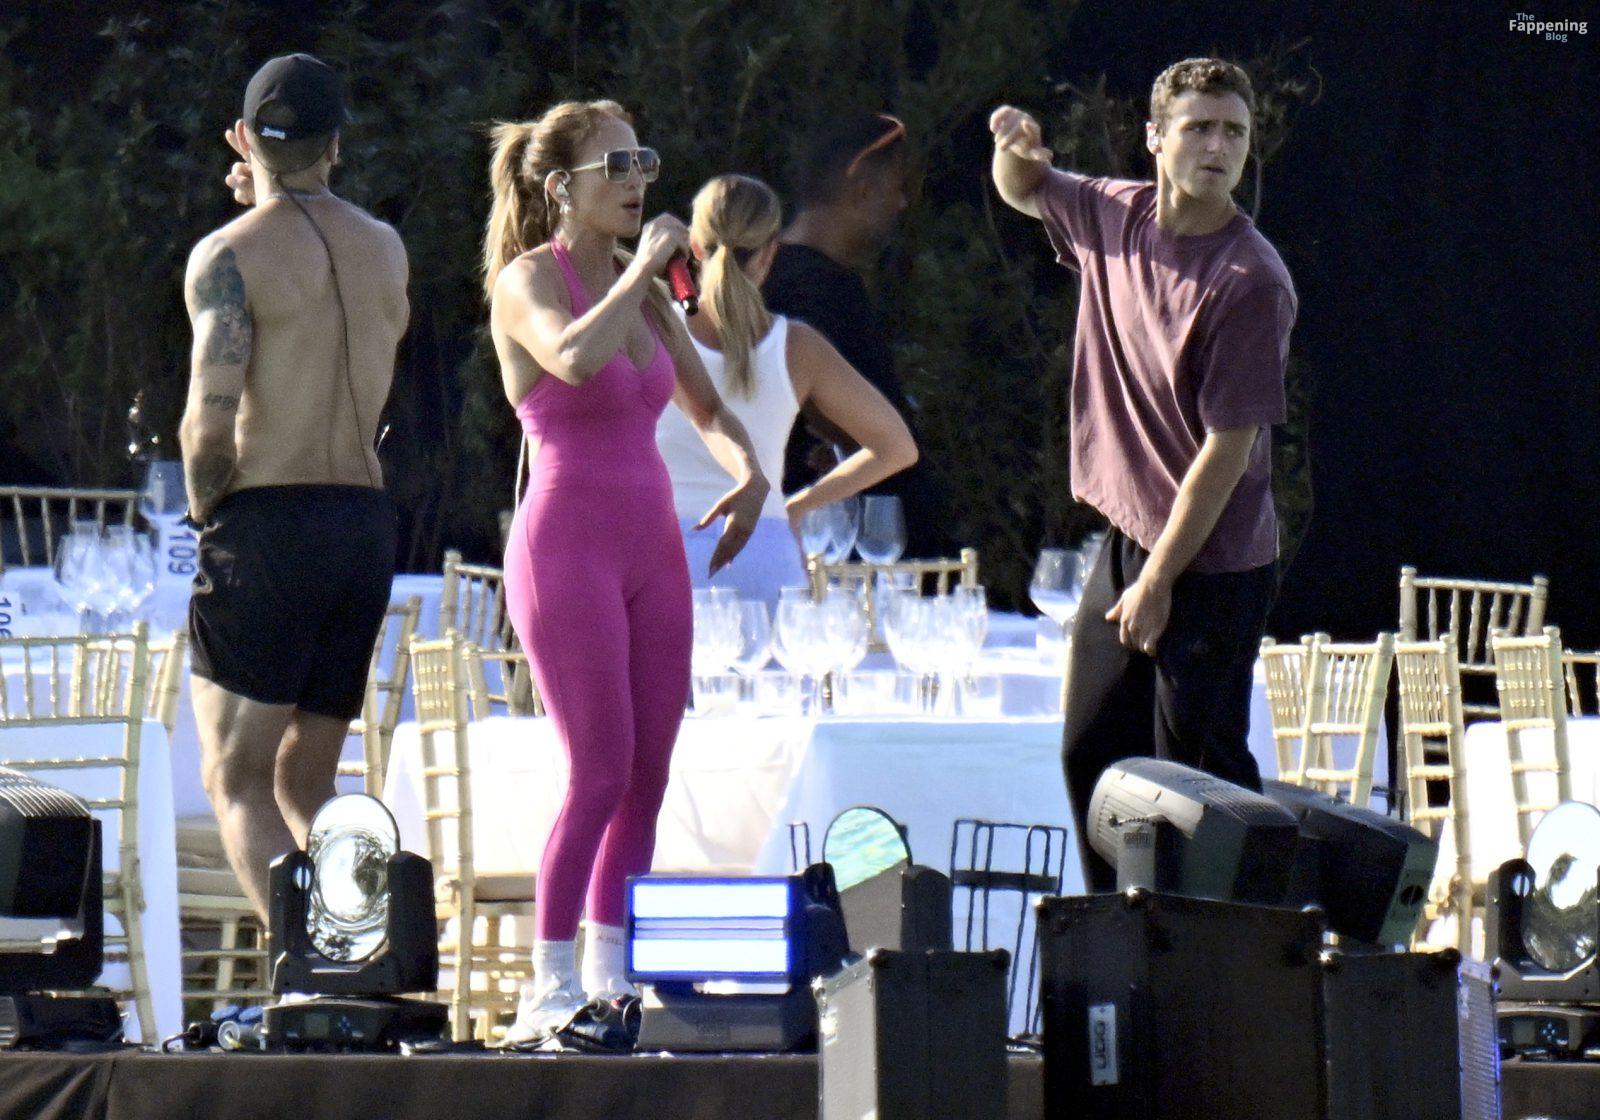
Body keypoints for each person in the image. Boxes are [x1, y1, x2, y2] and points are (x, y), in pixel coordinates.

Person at [482, 100, 769, 1039]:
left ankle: (610, 975)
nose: (638, 180)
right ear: (560, 188)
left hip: (652, 544)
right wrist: (644, 268)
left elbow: (707, 408)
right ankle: (546, 983)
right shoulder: (532, 280)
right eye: (615, 166)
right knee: (598, 770)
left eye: (643, 160)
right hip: (566, 545)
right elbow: (570, 359)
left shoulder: (644, 294)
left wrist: (750, 471)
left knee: (649, 773)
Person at [990, 58, 1297, 891]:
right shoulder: (1111, 212)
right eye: (1200, 128)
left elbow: (1227, 451)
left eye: (1234, 132)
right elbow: (1025, 189)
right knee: (1092, 755)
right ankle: (1114, 938)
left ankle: (1241, 955)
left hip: (1213, 564)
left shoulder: (1251, 281)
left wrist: (1161, 580)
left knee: (1200, 788)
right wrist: (1014, 147)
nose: (1219, 147)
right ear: (1155, 138)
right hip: (1131, 540)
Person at [182, 53, 408, 921]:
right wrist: (277, 198)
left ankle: (315, 972)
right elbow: (320, 275)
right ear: (337, 144)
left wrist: (206, 511)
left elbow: (208, 427)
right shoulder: (384, 248)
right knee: (308, 784)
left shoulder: (227, 257)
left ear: (243, 138)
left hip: (271, 521)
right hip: (363, 524)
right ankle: (368, 953)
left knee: (235, 778)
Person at [655, 173, 919, 605]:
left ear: (695, 248)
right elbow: (897, 447)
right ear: (770, 253)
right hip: (765, 548)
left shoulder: (655, 329)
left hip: (664, 551)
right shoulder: (797, 346)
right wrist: (798, 506)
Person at [763, 113, 945, 559]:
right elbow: (831, 413)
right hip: (839, 553)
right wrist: (849, 440)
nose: (901, 203)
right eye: (896, 187)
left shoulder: (781, 276)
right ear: (862, 189)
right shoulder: (816, 287)